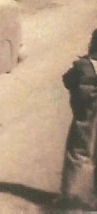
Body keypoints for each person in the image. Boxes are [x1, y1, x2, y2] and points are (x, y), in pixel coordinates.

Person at [58, 29, 97, 210]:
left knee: (78, 153)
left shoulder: (83, 67)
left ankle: (72, 199)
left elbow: (67, 80)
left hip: (85, 118)